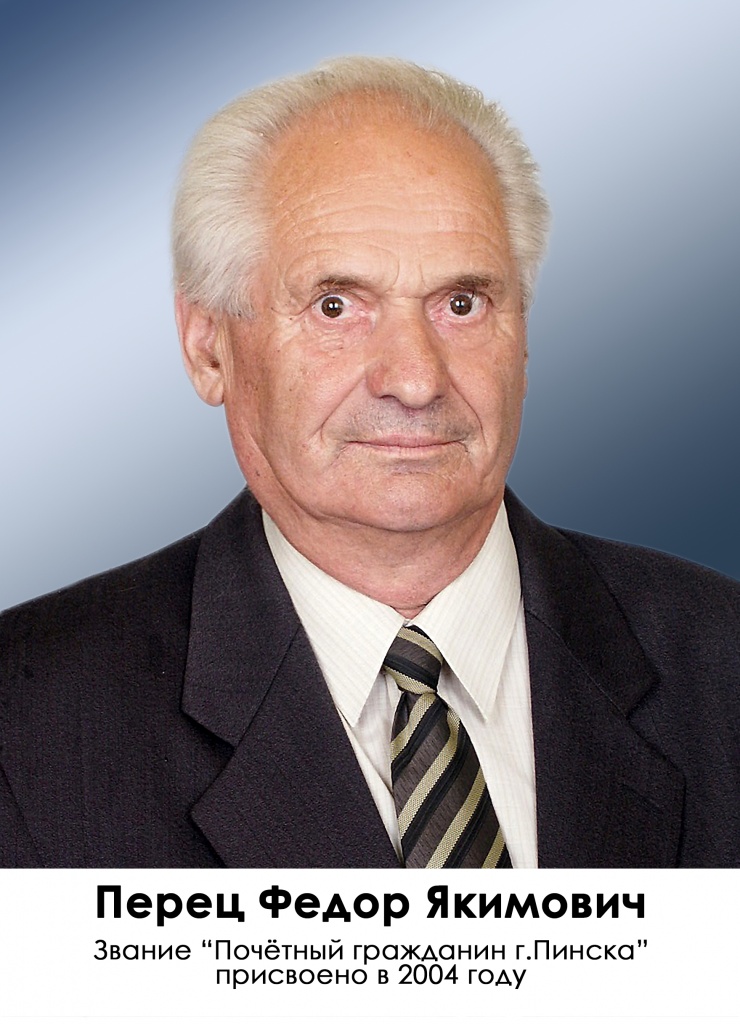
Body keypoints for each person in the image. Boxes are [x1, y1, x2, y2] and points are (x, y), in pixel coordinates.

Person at [1, 57, 738, 869]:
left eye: (462, 304)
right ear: (208, 347)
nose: (415, 380)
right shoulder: (29, 723)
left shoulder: (723, 662)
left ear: (524, 335)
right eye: (335, 306)